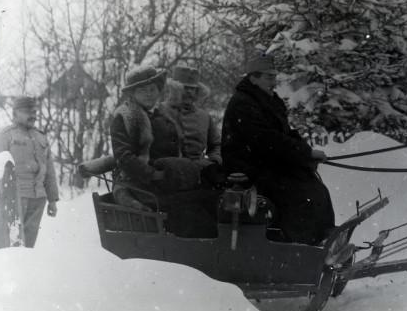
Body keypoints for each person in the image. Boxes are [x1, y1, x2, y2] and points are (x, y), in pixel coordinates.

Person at [221, 54, 335, 245]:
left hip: (268, 163)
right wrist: (305, 154)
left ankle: (323, 240)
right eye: (269, 77)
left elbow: (284, 133)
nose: (273, 82)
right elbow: (267, 139)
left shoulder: (268, 99)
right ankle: (295, 245)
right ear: (253, 78)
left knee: (316, 188)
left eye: (274, 77)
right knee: (301, 195)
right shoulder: (242, 103)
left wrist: (306, 153)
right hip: (246, 169)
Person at [110, 65, 217, 237]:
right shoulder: (126, 117)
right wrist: (153, 175)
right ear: (132, 93)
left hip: (168, 180)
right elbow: (124, 157)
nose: (149, 94)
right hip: (139, 184)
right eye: (143, 90)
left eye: (153, 89)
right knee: (189, 213)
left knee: (208, 198)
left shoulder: (162, 114)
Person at [0, 96, 59, 248]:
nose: (33, 115)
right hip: (14, 200)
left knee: (29, 246)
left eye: (34, 111)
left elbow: (49, 170)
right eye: (27, 112)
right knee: (11, 245)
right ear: (15, 113)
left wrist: (52, 200)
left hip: (38, 200)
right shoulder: (4, 136)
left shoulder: (41, 137)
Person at [164, 65, 222, 168]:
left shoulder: (205, 116)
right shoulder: (159, 111)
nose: (190, 92)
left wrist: (214, 162)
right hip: (169, 173)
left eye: (193, 89)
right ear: (173, 89)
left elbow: (217, 145)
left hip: (200, 173)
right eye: (185, 87)